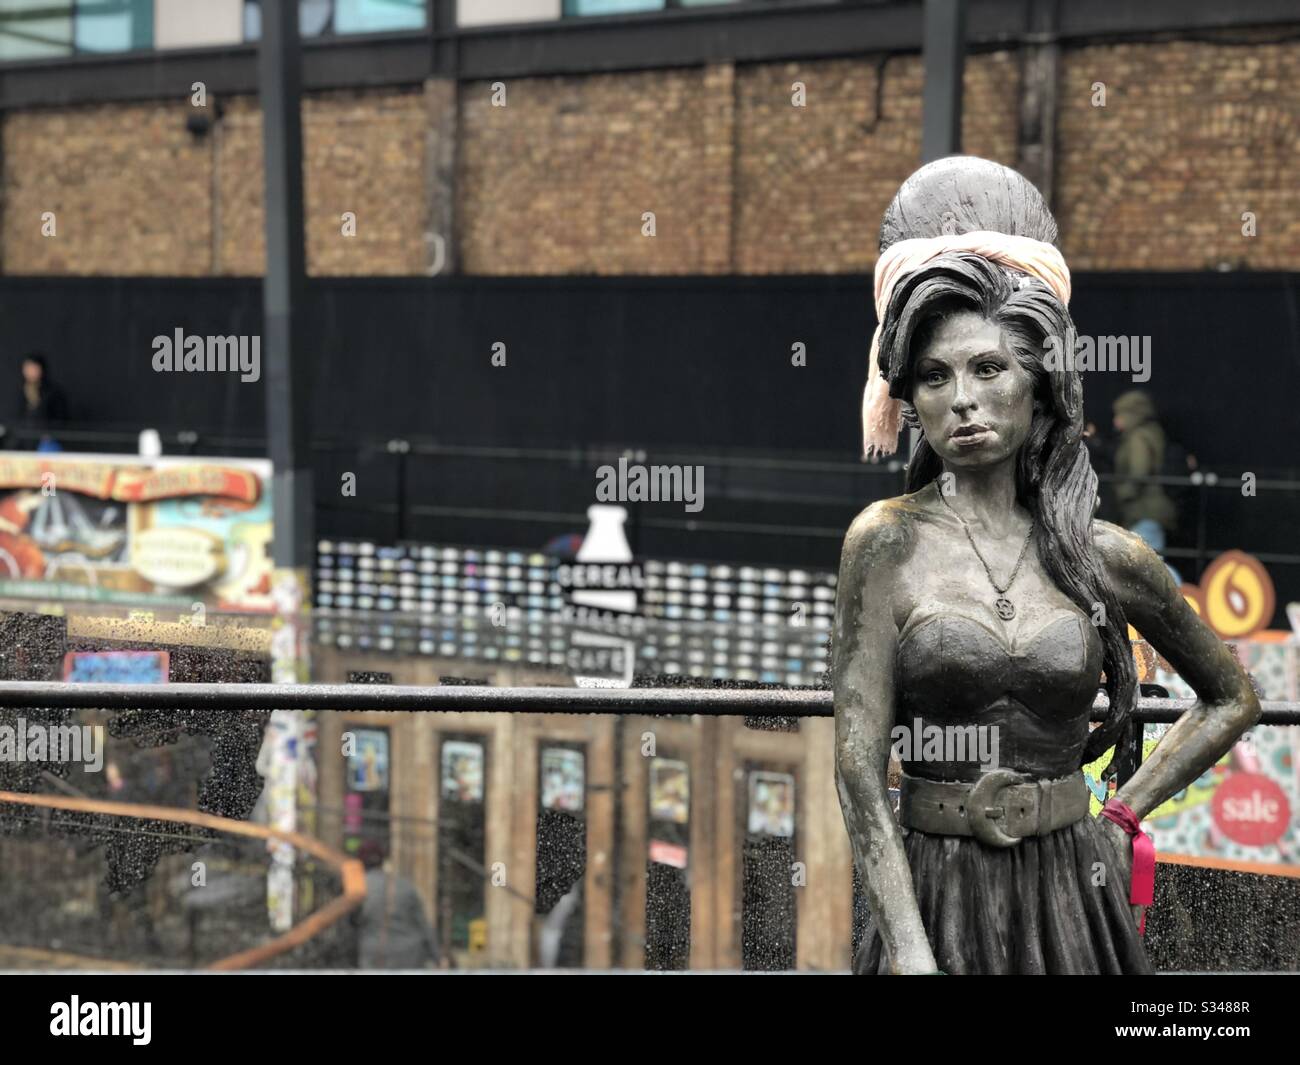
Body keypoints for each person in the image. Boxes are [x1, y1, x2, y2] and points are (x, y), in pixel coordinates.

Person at [835, 156, 1261, 974]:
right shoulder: (884, 542)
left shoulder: (1104, 554)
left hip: (1076, 889)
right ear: (910, 400)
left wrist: (1120, 816)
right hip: (937, 890)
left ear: (1040, 382)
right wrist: (912, 951)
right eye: (933, 376)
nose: (961, 397)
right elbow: (857, 769)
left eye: (989, 367)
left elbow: (1232, 696)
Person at [1111, 389, 1180, 579]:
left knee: (1147, 568)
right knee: (1152, 564)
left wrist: (1122, 494)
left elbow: (1139, 472)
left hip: (1144, 510)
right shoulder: (1152, 433)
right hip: (1151, 510)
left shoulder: (1138, 438)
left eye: (1120, 415)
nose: (1116, 421)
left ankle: (1177, 597)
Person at [354, 839, 440, 970]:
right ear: (383, 860)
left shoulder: (357, 890)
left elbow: (350, 927)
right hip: (409, 956)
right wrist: (438, 958)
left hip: (374, 955)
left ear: (359, 862)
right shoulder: (405, 886)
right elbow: (424, 926)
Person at [15, 352, 68, 450]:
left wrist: (50, 434)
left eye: (33, 368)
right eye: (27, 368)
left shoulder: (53, 391)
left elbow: (60, 418)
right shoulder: (22, 391)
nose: (30, 371)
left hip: (47, 441)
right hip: (25, 440)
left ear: (41, 369)